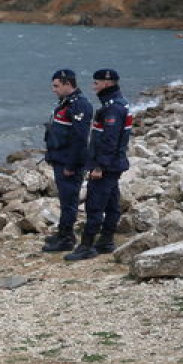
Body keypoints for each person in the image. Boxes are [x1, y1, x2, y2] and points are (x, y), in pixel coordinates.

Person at [66, 69, 132, 261]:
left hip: (107, 166)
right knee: (112, 203)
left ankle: (86, 245)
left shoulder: (112, 108)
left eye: (96, 83)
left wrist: (99, 167)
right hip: (114, 164)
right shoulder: (118, 103)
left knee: (95, 205)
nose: (93, 86)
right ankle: (106, 240)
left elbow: (109, 141)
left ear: (107, 83)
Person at [41, 69, 94, 253]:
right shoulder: (66, 103)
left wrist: (71, 165)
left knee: (69, 200)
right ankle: (63, 232)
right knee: (64, 200)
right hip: (60, 159)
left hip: (69, 163)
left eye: (56, 86)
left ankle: (66, 238)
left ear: (67, 84)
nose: (53, 89)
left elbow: (80, 139)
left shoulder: (80, 105)